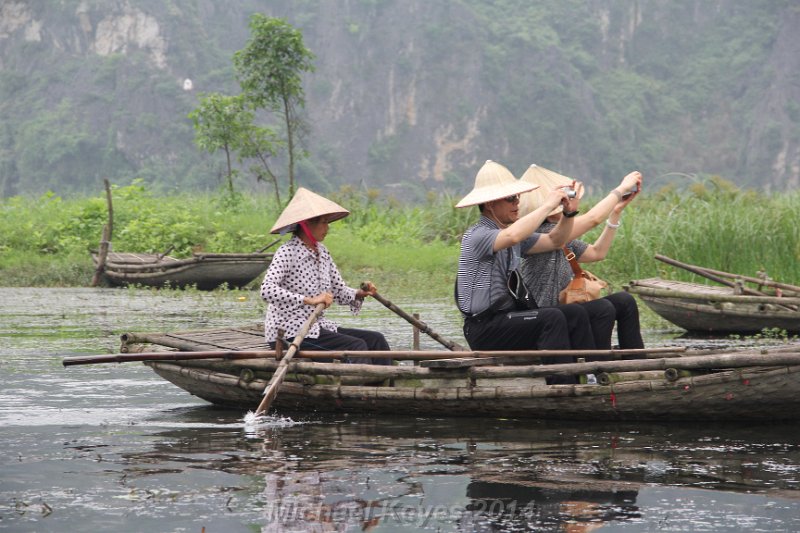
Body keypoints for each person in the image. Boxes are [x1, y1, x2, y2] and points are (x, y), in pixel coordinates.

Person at [455, 160, 600, 377]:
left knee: (575, 313)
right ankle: (561, 387)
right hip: (484, 327)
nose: (517, 203)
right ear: (490, 204)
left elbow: (554, 240)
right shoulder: (477, 235)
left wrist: (569, 214)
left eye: (518, 197)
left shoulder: (512, 235)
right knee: (552, 318)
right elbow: (512, 236)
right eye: (511, 198)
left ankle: (592, 376)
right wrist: (548, 206)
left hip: (510, 320)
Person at [517, 164, 644, 350]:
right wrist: (621, 189)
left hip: (565, 308)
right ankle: (598, 364)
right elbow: (592, 219)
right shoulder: (534, 234)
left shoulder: (564, 235)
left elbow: (597, 253)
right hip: (543, 314)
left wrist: (615, 212)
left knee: (625, 301)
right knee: (602, 309)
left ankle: (634, 359)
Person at [260, 187, 391, 364]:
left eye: (327, 223)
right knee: (356, 346)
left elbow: (338, 290)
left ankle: (384, 386)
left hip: (316, 328)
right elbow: (267, 290)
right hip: (291, 332)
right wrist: (309, 300)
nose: (327, 228)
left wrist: (360, 293)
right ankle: (359, 390)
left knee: (376, 340)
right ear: (306, 224)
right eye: (323, 223)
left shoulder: (322, 253)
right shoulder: (287, 252)